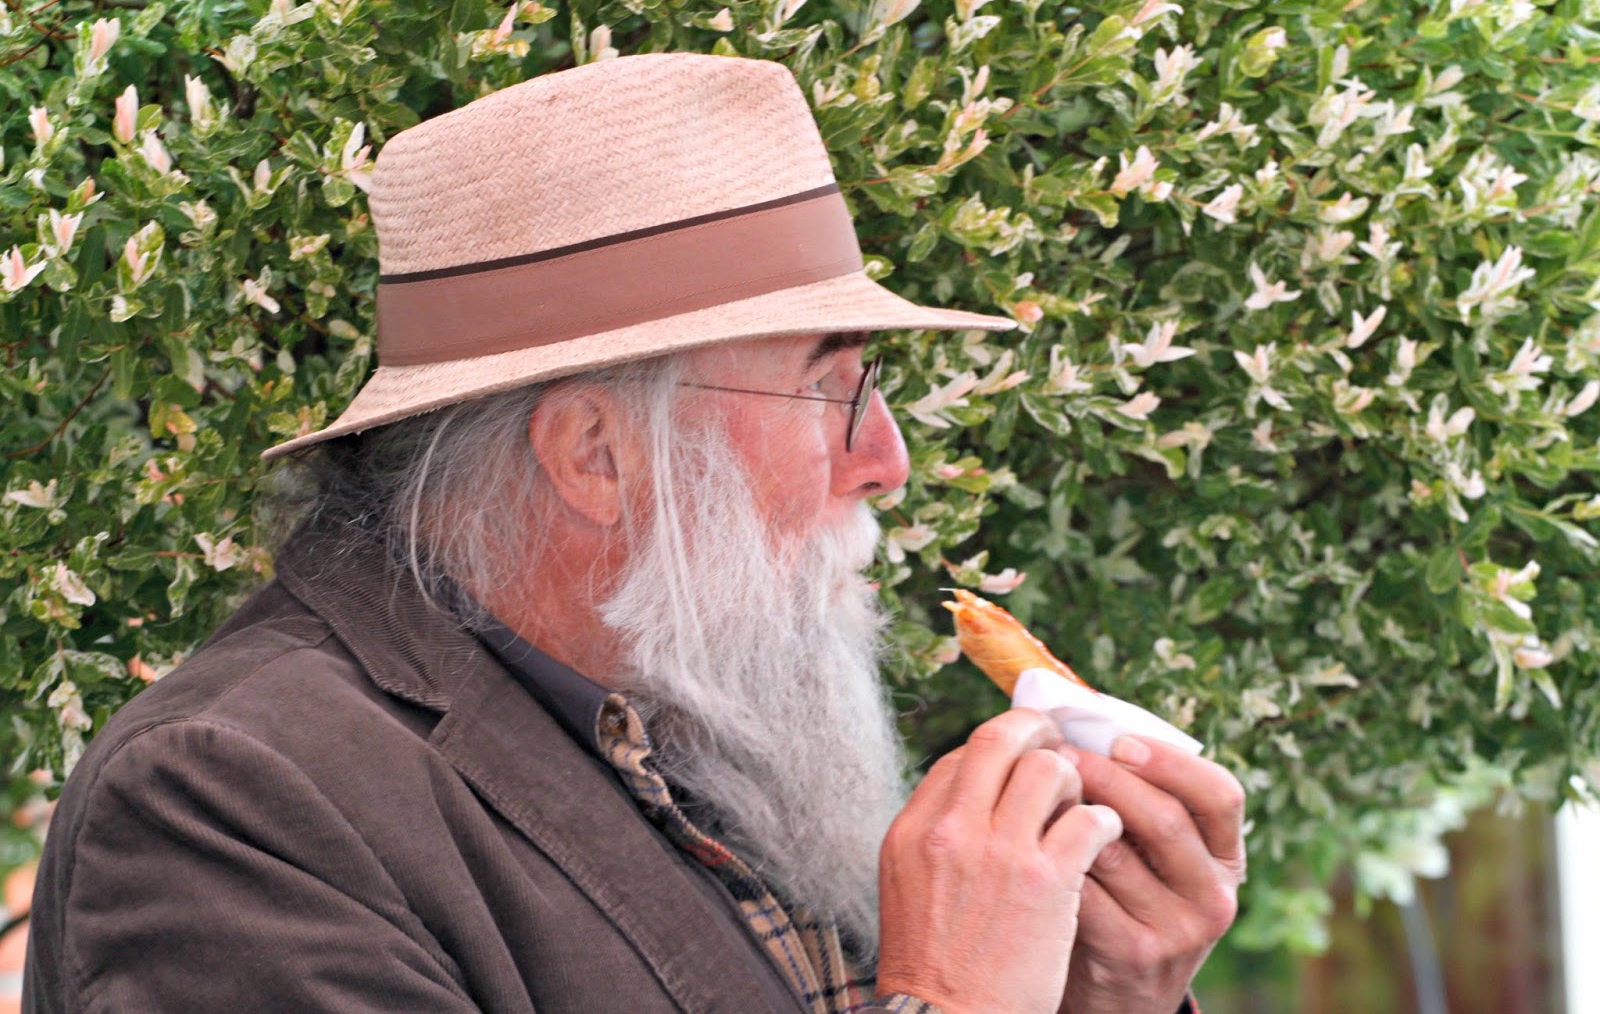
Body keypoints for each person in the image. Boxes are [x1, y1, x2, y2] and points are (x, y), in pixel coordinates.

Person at [24, 53, 1245, 1013]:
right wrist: (954, 1000)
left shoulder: (684, 705)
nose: (887, 459)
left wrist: (1098, 996)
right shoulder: (228, 799)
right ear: (595, 454)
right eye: (830, 387)